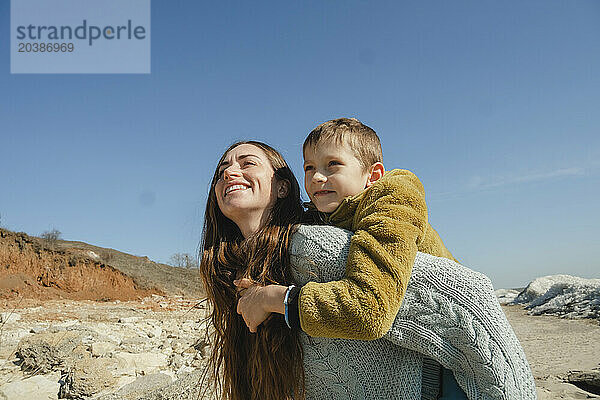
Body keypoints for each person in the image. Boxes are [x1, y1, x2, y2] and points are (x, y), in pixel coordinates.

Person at [200, 140, 536, 399]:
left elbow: (468, 298)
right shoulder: (234, 273)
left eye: (247, 163)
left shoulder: (312, 246)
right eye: (221, 171)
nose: (229, 173)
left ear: (283, 187)